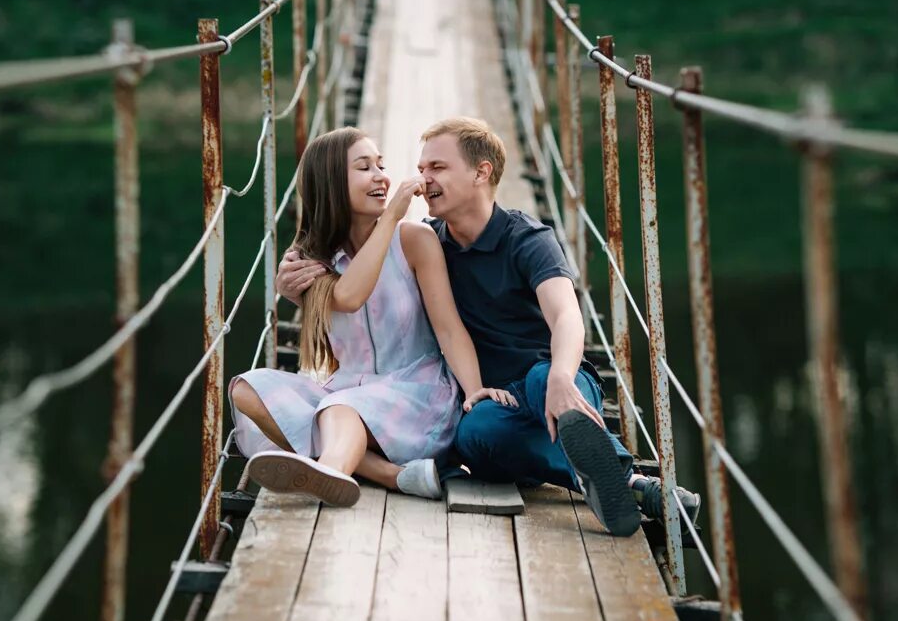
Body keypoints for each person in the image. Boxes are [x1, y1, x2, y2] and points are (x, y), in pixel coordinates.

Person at [279, 117, 698, 536]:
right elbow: (369, 291)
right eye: (422, 168)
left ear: (481, 172)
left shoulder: (528, 238)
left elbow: (566, 315)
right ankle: (624, 485)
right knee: (476, 434)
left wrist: (562, 375)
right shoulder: (428, 242)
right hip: (491, 402)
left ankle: (631, 484)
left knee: (540, 381)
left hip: (548, 377)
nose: (422, 179)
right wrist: (299, 289)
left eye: (437, 168)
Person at [230, 126, 514, 508]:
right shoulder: (313, 257)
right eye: (364, 168)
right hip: (345, 390)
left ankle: (329, 468)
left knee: (338, 410)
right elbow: (345, 302)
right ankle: (390, 475)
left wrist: (475, 391)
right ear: (331, 182)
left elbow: (446, 328)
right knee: (245, 388)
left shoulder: (414, 240)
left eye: (380, 164)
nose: (381, 176)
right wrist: (296, 297)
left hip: (416, 393)